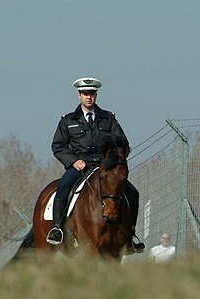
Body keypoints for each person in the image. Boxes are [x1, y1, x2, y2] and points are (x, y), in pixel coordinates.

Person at [46, 77, 145, 253]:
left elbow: (123, 141)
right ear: (79, 95)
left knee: (132, 193)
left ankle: (130, 237)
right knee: (63, 187)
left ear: (96, 95)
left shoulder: (108, 118)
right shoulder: (68, 120)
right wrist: (73, 161)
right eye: (85, 93)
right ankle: (57, 229)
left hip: (105, 167)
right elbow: (58, 146)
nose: (88, 97)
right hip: (80, 167)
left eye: (91, 93)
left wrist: (112, 155)